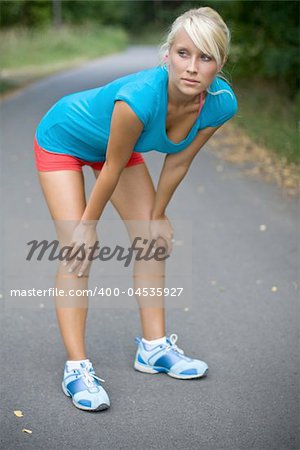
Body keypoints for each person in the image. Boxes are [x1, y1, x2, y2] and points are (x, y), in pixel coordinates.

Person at [34, 6, 238, 412]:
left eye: (205, 56)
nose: (192, 67)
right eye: (183, 53)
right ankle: (76, 368)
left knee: (151, 238)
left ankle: (153, 348)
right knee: (78, 251)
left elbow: (179, 160)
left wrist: (157, 214)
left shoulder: (220, 104)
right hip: (65, 137)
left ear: (221, 63)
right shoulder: (140, 97)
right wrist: (86, 226)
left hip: (117, 151)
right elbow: (110, 166)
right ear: (167, 55)